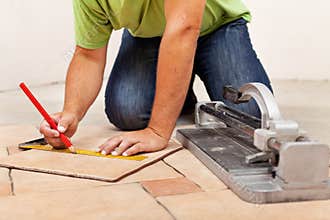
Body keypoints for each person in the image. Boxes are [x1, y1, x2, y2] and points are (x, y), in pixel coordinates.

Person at [40, 0, 272, 157]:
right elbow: (89, 55)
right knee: (127, 112)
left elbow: (184, 29)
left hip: (216, 27)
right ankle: (180, 85)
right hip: (150, 35)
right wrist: (71, 112)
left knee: (250, 115)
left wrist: (158, 132)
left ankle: (179, 73)